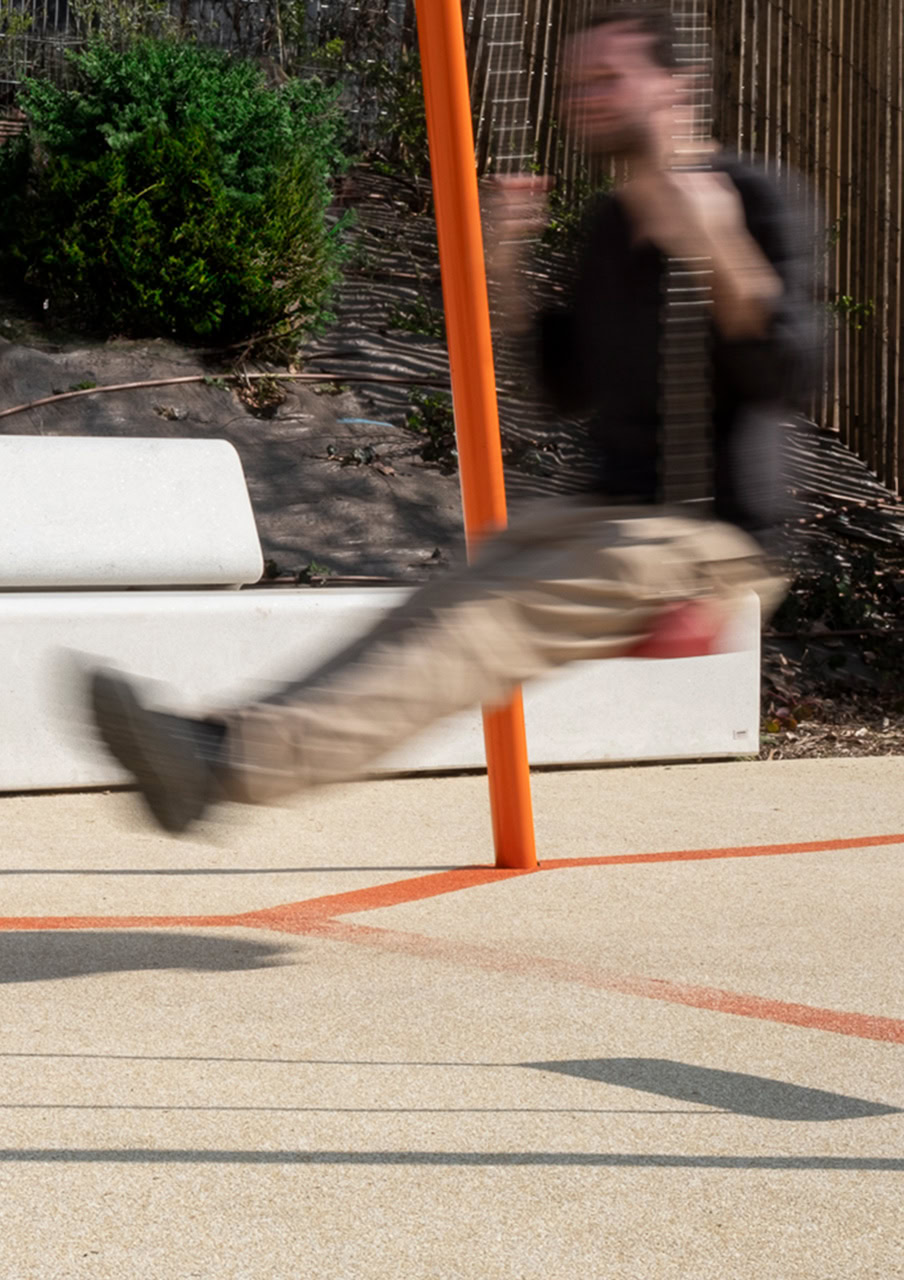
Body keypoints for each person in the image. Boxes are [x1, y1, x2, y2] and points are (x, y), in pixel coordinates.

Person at [88, 2, 820, 834]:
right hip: (602, 516)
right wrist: (505, 265)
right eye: (578, 82)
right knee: (432, 608)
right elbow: (566, 387)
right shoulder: (610, 224)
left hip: (710, 542)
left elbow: (792, 375)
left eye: (609, 78)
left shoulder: (754, 196)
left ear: (677, 87)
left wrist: (721, 247)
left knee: (483, 628)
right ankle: (215, 740)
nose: (586, 96)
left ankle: (231, 765)